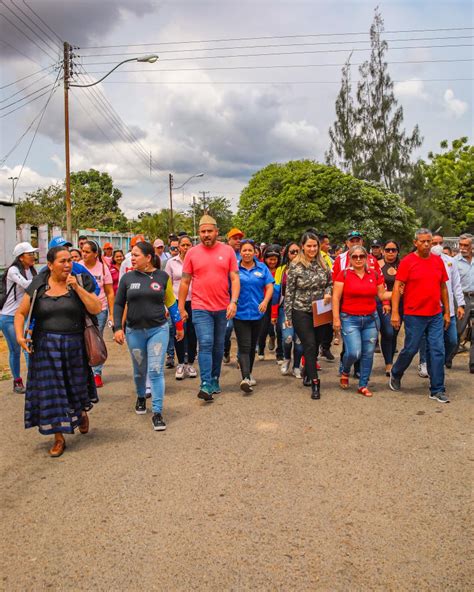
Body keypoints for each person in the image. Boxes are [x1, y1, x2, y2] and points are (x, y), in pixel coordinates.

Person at [14, 246, 101, 457]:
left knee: (75, 386)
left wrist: (78, 289)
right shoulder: (39, 286)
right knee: (52, 392)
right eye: (62, 261)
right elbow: (21, 313)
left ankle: (80, 412)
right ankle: (59, 437)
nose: (68, 264)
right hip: (45, 348)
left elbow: (96, 308)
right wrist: (19, 336)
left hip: (74, 345)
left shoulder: (79, 281)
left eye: (69, 260)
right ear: (50, 265)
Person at [114, 241, 184, 430]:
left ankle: (158, 412)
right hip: (134, 332)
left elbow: (171, 303)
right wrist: (117, 328)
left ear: (148, 257)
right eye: (132, 254)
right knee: (139, 370)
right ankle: (140, 397)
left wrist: (179, 326)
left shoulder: (162, 277)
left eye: (136, 255)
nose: (132, 258)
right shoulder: (127, 278)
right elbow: (119, 304)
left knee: (155, 370)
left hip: (158, 330)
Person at [178, 215, 240, 402]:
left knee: (218, 345)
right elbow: (185, 281)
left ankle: (214, 378)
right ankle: (205, 383)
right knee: (205, 342)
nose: (206, 235)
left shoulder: (227, 251)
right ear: (199, 233)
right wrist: (181, 307)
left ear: (216, 232)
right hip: (200, 307)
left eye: (209, 231)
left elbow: (235, 278)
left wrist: (233, 302)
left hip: (222, 307)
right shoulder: (192, 253)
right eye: (203, 232)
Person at [389, 229, 451, 403]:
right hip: (414, 314)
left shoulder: (438, 262)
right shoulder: (408, 262)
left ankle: (437, 389)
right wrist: (395, 312)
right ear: (415, 242)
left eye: (429, 241)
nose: (426, 244)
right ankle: (396, 372)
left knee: (437, 349)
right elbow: (397, 288)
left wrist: (446, 311)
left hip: (435, 314)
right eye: (423, 241)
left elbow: (443, 288)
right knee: (411, 348)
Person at [333, 245, 389, 397]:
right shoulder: (343, 275)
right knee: (354, 352)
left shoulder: (374, 274)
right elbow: (336, 297)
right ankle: (345, 370)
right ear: (350, 258)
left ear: (367, 258)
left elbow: (382, 295)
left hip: (371, 319)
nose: (358, 259)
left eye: (361, 256)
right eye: (355, 256)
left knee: (368, 353)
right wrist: (336, 319)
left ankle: (363, 384)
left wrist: (399, 291)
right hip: (349, 318)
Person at [285, 232, 332, 400]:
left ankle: (307, 370)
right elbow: (289, 292)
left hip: (320, 310)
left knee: (317, 343)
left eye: (315, 246)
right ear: (302, 247)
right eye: (309, 246)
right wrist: (288, 316)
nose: (312, 249)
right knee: (310, 345)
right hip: (301, 311)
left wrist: (327, 293)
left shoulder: (323, 264)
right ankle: (315, 382)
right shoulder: (295, 266)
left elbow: (329, 283)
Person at [418, 233, 465, 370]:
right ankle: (424, 363)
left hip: (447, 308)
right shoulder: (423, 260)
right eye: (434, 243)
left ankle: (438, 362)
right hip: (429, 308)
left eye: (440, 243)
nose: (437, 246)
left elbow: (456, 285)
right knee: (426, 339)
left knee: (452, 340)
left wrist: (460, 304)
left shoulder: (451, 261)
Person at [234, 239, 274, 393]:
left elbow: (269, 286)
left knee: (252, 346)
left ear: (255, 252)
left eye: (250, 250)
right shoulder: (235, 269)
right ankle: (245, 378)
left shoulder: (262, 267)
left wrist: (265, 301)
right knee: (244, 346)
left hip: (258, 313)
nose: (247, 253)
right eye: (244, 250)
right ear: (240, 252)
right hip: (240, 313)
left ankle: (248, 374)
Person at [0, 242, 38, 393]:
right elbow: (27, 285)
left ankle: (33, 381)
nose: (33, 256)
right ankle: (17, 381)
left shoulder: (32, 271)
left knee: (28, 347)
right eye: (30, 254)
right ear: (21, 257)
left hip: (25, 315)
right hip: (9, 317)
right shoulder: (13, 270)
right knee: (16, 349)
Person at [80, 240, 114, 388]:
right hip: (80, 309)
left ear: (95, 254)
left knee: (95, 339)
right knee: (81, 340)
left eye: (87, 252)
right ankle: (83, 372)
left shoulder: (103, 269)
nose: (84, 254)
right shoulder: (78, 267)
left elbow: (109, 292)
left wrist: (112, 314)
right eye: (83, 251)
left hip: (100, 309)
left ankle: (96, 373)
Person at [164, 235, 198, 380]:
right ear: (178, 247)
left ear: (192, 246)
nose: (185, 248)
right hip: (177, 302)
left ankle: (190, 362)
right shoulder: (171, 263)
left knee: (192, 332)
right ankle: (180, 364)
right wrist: (166, 306)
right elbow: (167, 285)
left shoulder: (196, 261)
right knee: (179, 332)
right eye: (183, 245)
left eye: (188, 245)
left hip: (195, 301)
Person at [272, 241, 304, 378]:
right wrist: (273, 313)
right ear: (287, 254)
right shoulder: (281, 269)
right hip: (285, 308)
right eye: (292, 252)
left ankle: (297, 366)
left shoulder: (307, 268)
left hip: (303, 308)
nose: (295, 254)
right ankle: (286, 358)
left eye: (298, 251)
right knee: (288, 337)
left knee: (299, 340)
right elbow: (276, 292)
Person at [377, 240, 402, 376]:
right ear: (383, 251)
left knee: (395, 333)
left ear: (398, 251)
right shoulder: (378, 265)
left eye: (393, 250)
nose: (390, 252)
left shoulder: (403, 265)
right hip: (384, 302)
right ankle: (388, 364)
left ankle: (390, 358)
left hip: (401, 303)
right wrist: (386, 301)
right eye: (388, 250)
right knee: (388, 332)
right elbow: (377, 285)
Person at [223, 228, 244, 364]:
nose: (238, 241)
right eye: (235, 238)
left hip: (243, 299)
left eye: (239, 238)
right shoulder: (224, 254)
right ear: (229, 240)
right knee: (228, 327)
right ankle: (226, 349)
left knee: (242, 330)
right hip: (226, 298)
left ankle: (240, 357)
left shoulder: (245, 254)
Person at [453, 233, 474, 373]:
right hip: (462, 299)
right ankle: (448, 358)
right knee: (457, 332)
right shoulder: (454, 261)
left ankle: (473, 364)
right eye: (461, 245)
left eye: (466, 245)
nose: (463, 248)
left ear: (472, 246)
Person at [257, 245, 280, 360]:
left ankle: (274, 340)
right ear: (265, 258)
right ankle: (261, 348)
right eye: (270, 259)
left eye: (275, 259)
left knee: (275, 326)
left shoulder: (281, 270)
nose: (272, 261)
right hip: (264, 301)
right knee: (263, 327)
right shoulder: (261, 268)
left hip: (277, 301)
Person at [318, 233, 335, 362]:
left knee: (328, 324)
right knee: (320, 325)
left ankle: (325, 348)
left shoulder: (328, 257)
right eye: (326, 243)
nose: (328, 246)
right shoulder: (318, 257)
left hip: (329, 294)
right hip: (319, 296)